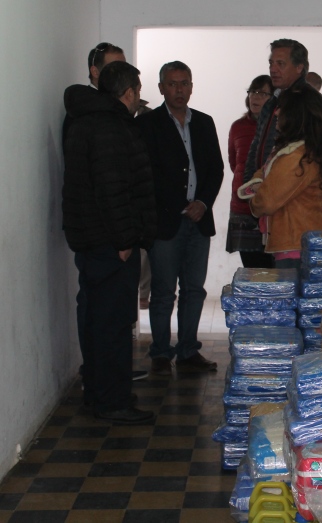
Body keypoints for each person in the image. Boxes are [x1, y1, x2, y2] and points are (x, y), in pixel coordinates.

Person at [62, 61, 156, 424]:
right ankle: (112, 401)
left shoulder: (84, 120)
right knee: (113, 325)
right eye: (138, 91)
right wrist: (124, 240)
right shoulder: (111, 127)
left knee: (96, 320)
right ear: (129, 92)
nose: (138, 98)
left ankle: (98, 393)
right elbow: (112, 189)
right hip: (110, 243)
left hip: (91, 239)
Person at [136, 61, 224, 376]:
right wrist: (179, 205)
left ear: (191, 86)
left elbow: (216, 169)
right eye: (172, 84)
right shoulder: (147, 125)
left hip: (199, 221)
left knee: (194, 290)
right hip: (165, 222)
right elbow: (146, 175)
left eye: (184, 83)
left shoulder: (204, 122)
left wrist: (203, 202)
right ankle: (161, 352)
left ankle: (188, 350)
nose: (179, 90)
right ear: (161, 88)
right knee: (163, 292)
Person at [246, 88, 322, 269]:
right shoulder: (296, 150)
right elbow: (262, 173)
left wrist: (256, 197)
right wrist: (261, 184)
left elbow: (267, 200)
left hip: (298, 247)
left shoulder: (298, 155)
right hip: (300, 244)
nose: (276, 112)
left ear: (298, 114)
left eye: (283, 108)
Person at [243, 39, 309, 192]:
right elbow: (256, 147)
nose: (273, 69)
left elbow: (317, 155)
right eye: (271, 63)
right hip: (262, 193)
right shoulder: (271, 103)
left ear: (299, 67)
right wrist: (249, 186)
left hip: (290, 197)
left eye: (280, 64)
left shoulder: (308, 102)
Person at [226, 74, 275, 268]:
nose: (255, 97)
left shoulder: (279, 126)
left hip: (270, 208)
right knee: (251, 270)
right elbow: (234, 163)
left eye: (262, 93)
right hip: (242, 208)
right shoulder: (238, 127)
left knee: (273, 271)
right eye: (253, 92)